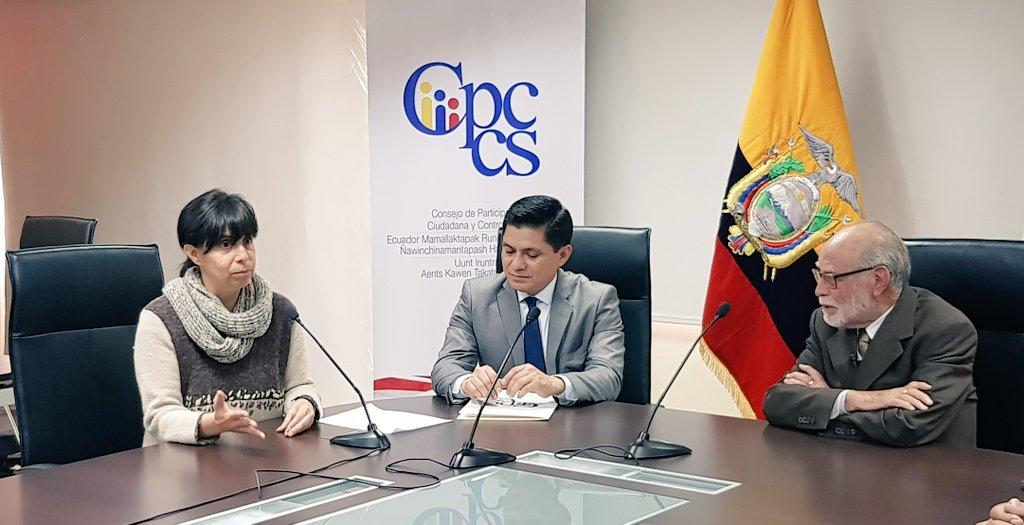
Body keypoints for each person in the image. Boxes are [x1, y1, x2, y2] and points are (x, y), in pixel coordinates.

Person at [762, 221, 976, 446]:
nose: (819, 290)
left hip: (925, 465)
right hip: (842, 460)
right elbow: (777, 403)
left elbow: (909, 426)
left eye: (831, 278)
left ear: (878, 280)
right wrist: (856, 399)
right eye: (819, 275)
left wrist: (826, 403)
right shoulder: (826, 322)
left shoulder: (946, 329)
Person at [134, 189, 320, 446]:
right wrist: (209, 424)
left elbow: (300, 385)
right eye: (226, 245)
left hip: (266, 457)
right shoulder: (161, 319)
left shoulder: (281, 312)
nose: (243, 256)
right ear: (194, 254)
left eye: (247, 241)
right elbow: (159, 415)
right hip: (183, 463)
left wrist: (305, 402)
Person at [431, 195, 625, 405]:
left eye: (531, 255)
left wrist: (555, 384)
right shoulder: (477, 296)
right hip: (501, 421)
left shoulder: (596, 301)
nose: (516, 264)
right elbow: (446, 366)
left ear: (562, 255)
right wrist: (466, 382)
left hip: (573, 421)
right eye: (509, 251)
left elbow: (608, 377)